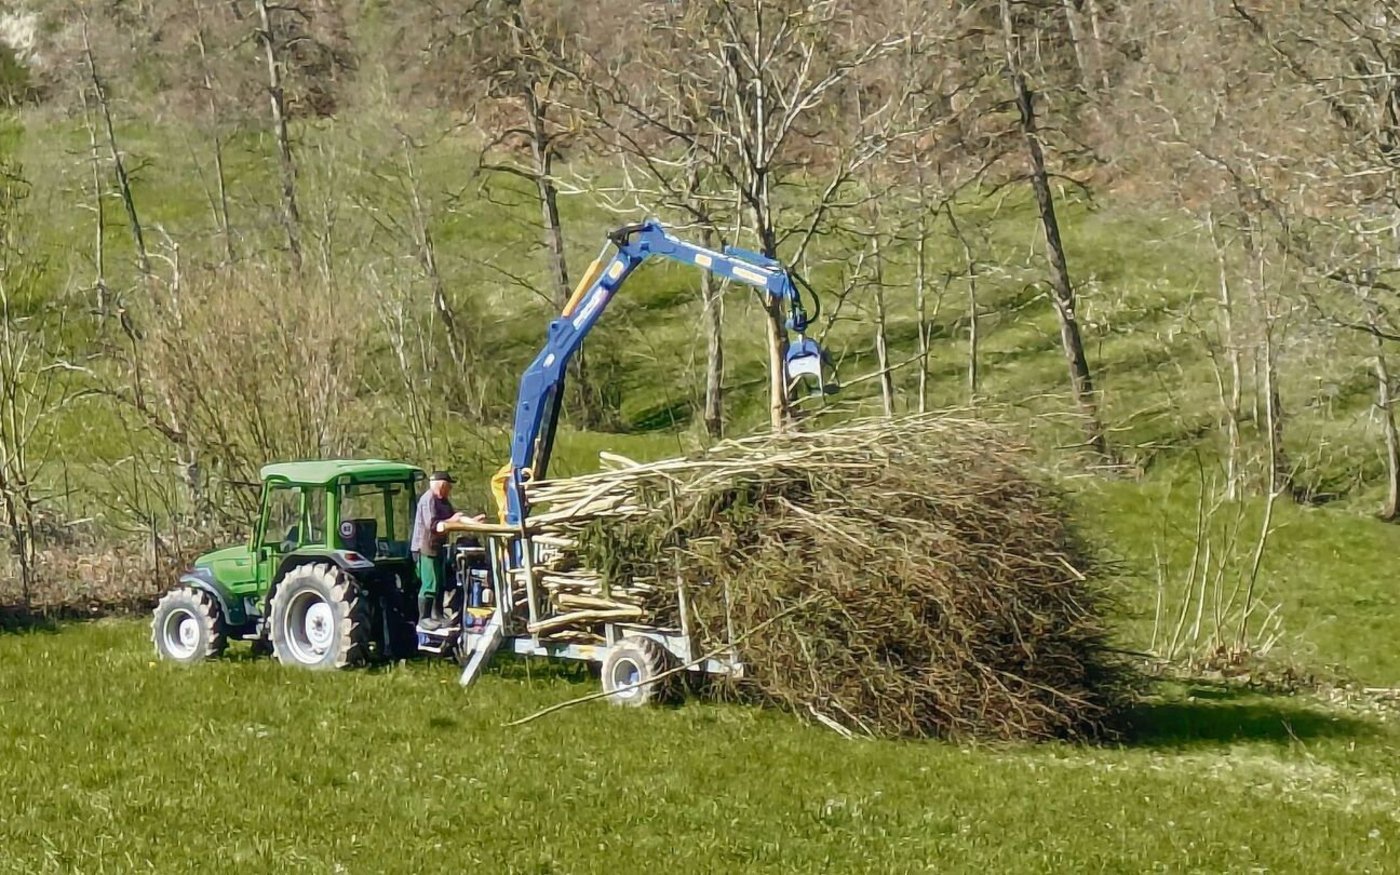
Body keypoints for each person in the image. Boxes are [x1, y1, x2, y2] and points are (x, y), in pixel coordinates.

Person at [410, 471, 482, 630]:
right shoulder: (428, 500)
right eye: (449, 486)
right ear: (441, 485)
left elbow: (454, 517)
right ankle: (425, 617)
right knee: (430, 582)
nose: (450, 490)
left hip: (439, 547)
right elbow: (434, 525)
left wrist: (472, 522)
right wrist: (452, 521)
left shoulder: (443, 501)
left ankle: (438, 615)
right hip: (425, 547)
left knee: (440, 582)